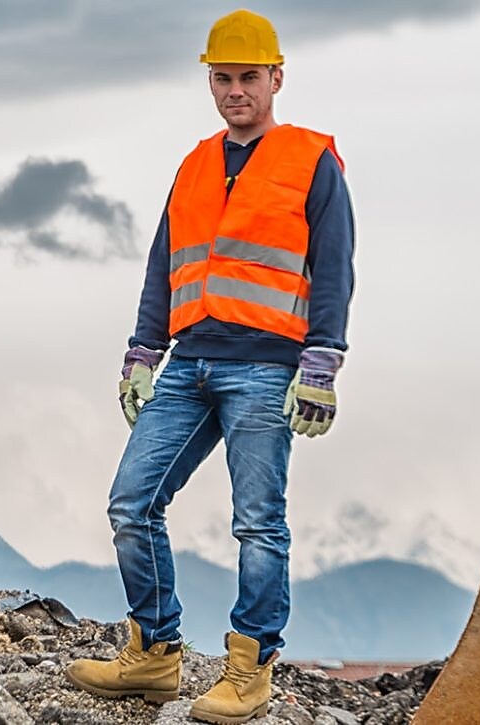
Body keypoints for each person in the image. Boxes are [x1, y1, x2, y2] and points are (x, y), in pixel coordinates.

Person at [64, 8, 356, 724]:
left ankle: (250, 666)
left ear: (276, 77)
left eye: (248, 77)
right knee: (131, 503)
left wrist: (321, 364)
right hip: (187, 365)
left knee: (258, 524)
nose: (234, 91)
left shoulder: (312, 160)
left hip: (265, 368)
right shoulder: (194, 164)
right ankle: (155, 653)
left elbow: (334, 268)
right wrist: (142, 350)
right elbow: (164, 267)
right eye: (222, 78)